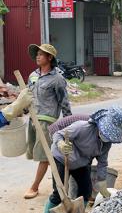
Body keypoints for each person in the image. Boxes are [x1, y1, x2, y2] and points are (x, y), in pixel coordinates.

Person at [44, 105, 122, 212]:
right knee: (59, 193)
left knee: (86, 191)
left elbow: (102, 163)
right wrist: (60, 143)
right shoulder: (83, 127)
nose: (106, 137)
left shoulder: (106, 143)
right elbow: (58, 134)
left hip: (81, 163)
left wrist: (102, 182)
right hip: (62, 158)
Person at [24, 44, 72, 199]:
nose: (37, 57)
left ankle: (35, 186)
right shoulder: (33, 75)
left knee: (45, 155)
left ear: (50, 58)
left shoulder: (57, 79)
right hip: (32, 119)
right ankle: (60, 184)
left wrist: (69, 124)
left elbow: (64, 102)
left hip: (47, 122)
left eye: (41, 54)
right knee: (36, 153)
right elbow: (27, 96)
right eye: (36, 54)